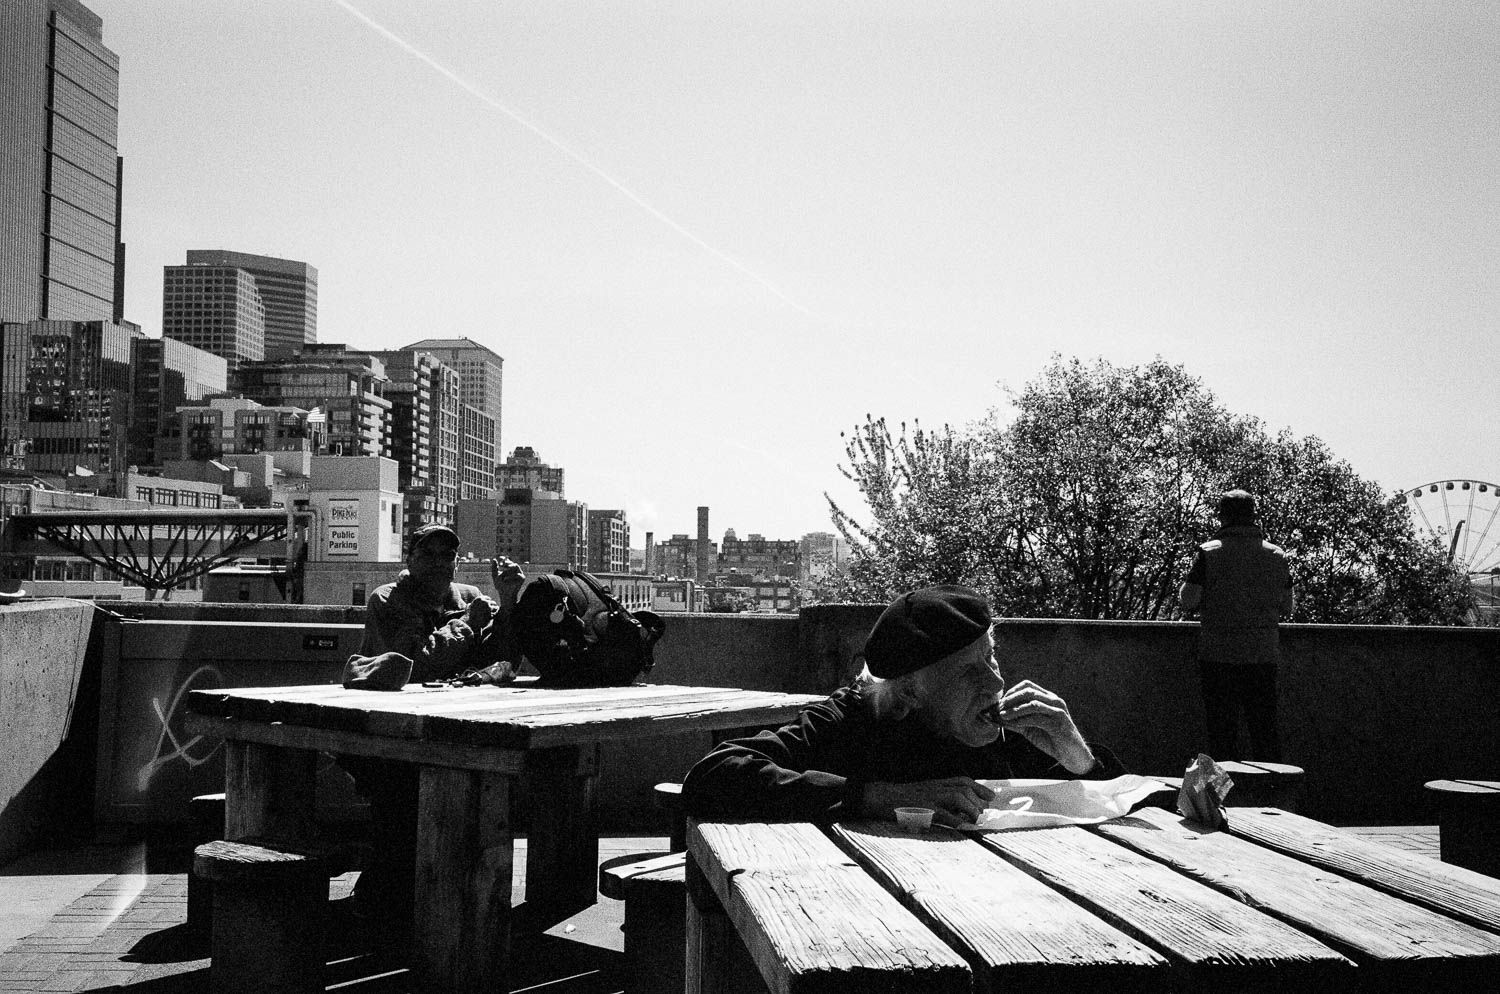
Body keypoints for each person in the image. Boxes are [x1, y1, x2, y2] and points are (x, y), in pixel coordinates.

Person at [682, 584, 1123, 828]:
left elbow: (1112, 812)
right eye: (969, 671)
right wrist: (878, 797)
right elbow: (711, 777)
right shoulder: (848, 720)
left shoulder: (1000, 728)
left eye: (991, 658)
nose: (994, 682)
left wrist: (1077, 757)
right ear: (910, 693)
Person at [342, 523, 526, 930]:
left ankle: (455, 905)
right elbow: (416, 662)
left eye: (449, 556)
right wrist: (468, 624)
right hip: (387, 733)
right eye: (430, 554)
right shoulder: (388, 600)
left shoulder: (469, 597)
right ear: (409, 558)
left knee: (489, 790)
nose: (441, 564)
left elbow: (505, 660)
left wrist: (508, 601)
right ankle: (392, 906)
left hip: (458, 726)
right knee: (408, 799)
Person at [1179, 489, 1295, 763]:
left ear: (1222, 518)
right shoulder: (1277, 556)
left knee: (1222, 735)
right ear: (1254, 517)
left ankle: (1224, 801)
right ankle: (1270, 796)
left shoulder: (1209, 554)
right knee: (1264, 732)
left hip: (1218, 656)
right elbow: (1287, 606)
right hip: (1262, 656)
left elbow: (1188, 600)